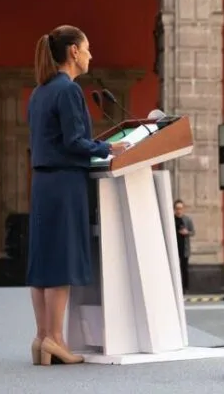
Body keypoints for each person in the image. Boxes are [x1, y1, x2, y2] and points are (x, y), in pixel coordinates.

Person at [27, 25, 129, 366]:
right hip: (65, 184)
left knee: (42, 262)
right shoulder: (68, 91)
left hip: (42, 184)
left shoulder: (39, 91)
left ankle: (42, 336)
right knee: (61, 262)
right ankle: (56, 339)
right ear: (73, 51)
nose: (90, 55)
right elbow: (74, 143)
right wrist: (108, 147)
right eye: (87, 49)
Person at [173, 200, 195, 293]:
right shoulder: (171, 219)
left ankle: (185, 288)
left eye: (181, 208)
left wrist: (187, 232)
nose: (179, 211)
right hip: (174, 248)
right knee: (174, 268)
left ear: (183, 209)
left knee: (184, 268)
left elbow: (193, 232)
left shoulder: (187, 220)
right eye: (177, 208)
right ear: (174, 209)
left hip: (184, 248)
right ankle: (175, 287)